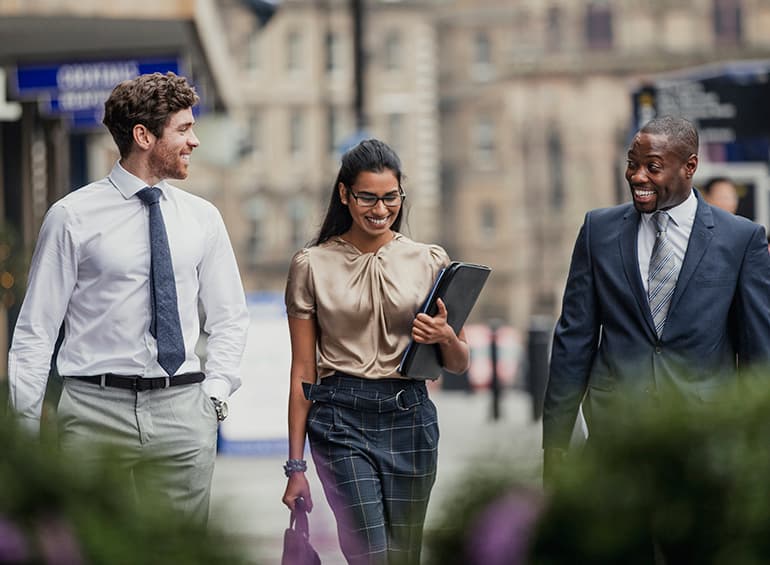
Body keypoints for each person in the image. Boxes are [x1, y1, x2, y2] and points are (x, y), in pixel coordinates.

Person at [7, 72, 249, 524]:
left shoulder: (203, 218)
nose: (194, 141)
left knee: (181, 552)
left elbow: (230, 316)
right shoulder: (71, 217)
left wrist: (215, 393)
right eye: (183, 129)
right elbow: (36, 331)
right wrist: (23, 435)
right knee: (94, 545)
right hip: (93, 411)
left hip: (183, 409)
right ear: (143, 135)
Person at [543, 115, 770, 479]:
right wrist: (555, 443)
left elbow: (759, 354)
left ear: (689, 166)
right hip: (615, 435)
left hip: (705, 440)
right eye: (632, 165)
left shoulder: (741, 240)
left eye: (653, 167)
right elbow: (574, 340)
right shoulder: (597, 231)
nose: (637, 176)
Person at [281, 139, 469, 565]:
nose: (381, 209)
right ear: (345, 194)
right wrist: (296, 466)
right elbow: (302, 372)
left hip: (411, 419)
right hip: (340, 421)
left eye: (391, 197)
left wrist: (444, 336)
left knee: (404, 556)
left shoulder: (430, 260)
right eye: (368, 197)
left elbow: (460, 362)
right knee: (369, 555)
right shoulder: (310, 265)